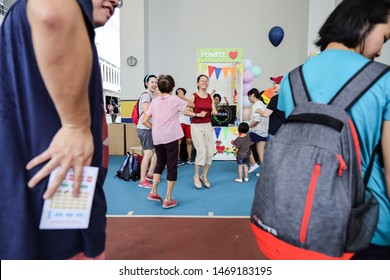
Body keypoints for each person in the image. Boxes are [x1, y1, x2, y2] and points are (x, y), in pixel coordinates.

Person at [0, 0, 121, 260]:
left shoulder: (71, 35)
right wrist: (75, 126)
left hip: (56, 199)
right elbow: (51, 11)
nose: (117, 1)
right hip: (51, 203)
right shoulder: (55, 10)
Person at [278, 0, 390, 259]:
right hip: (366, 229)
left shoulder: (291, 79)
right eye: (384, 38)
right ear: (364, 25)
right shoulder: (384, 79)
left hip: (301, 221)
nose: (381, 50)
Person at [142, 75, 195, 208]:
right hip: (170, 138)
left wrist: (156, 129)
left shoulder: (154, 102)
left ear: (159, 87)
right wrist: (182, 96)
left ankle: (153, 192)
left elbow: (144, 120)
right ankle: (167, 199)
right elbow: (193, 105)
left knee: (160, 163)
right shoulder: (175, 100)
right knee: (172, 166)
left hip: (157, 137)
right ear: (172, 87)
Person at [190, 75, 218, 189]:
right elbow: (186, 111)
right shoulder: (193, 96)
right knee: (201, 151)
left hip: (207, 125)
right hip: (196, 126)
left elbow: (213, 110)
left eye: (206, 81)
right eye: (202, 81)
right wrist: (197, 114)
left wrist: (215, 111)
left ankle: (204, 175)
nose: (204, 83)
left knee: (210, 152)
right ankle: (196, 176)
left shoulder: (210, 97)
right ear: (197, 83)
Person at [137, 74, 158, 188]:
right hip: (145, 128)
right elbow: (147, 112)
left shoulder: (152, 95)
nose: (154, 84)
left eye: (156, 82)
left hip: (150, 127)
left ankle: (150, 174)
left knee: (155, 152)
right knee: (148, 153)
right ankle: (142, 180)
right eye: (152, 82)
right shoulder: (146, 96)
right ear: (146, 83)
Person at [256, 76, 286, 140]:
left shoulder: (276, 99)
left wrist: (258, 110)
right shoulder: (290, 98)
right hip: (286, 132)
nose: (273, 85)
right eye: (273, 83)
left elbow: (265, 114)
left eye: (276, 83)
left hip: (275, 132)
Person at [247, 88, 269, 175]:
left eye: (249, 96)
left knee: (243, 145)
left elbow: (256, 120)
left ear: (252, 95)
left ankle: (253, 164)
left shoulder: (256, 105)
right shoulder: (263, 104)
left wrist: (247, 127)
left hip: (257, 131)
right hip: (264, 132)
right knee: (261, 152)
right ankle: (264, 172)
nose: (248, 98)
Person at [176, 87, 195, 165]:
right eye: (180, 92)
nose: (181, 94)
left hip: (188, 123)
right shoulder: (175, 101)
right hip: (179, 123)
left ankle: (189, 158)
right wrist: (187, 109)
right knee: (179, 142)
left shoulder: (186, 101)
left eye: (183, 93)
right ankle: (177, 159)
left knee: (189, 141)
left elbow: (192, 109)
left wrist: (188, 109)